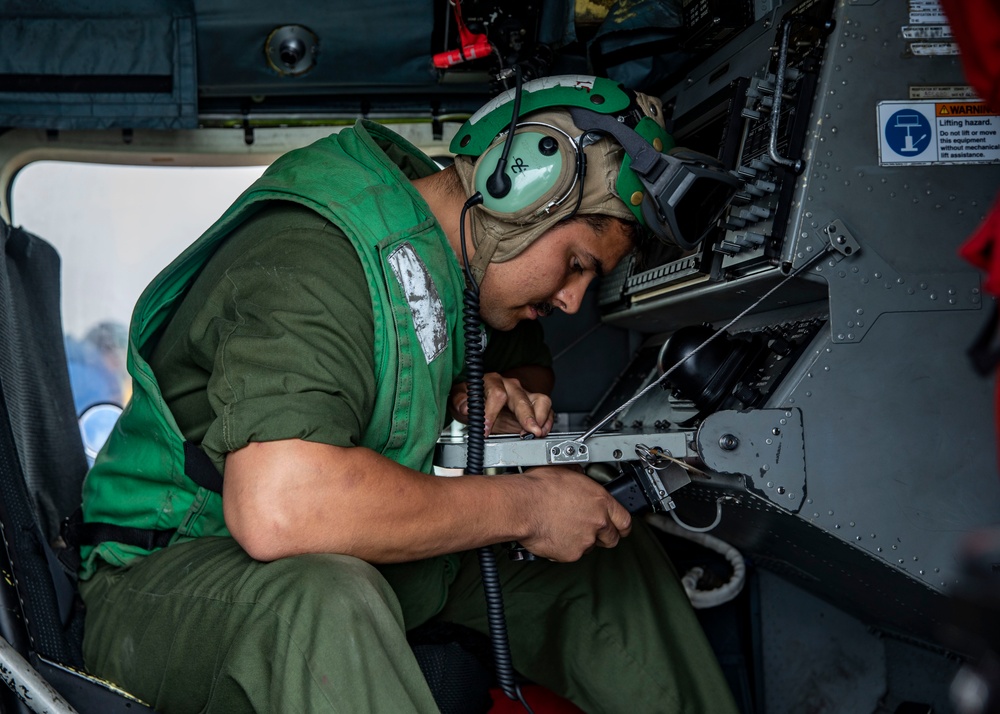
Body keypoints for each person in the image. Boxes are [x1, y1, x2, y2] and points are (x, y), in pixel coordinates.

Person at [77, 75, 739, 713]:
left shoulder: (465, 268)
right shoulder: (316, 257)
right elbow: (280, 507)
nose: (571, 300)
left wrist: (474, 392)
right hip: (172, 581)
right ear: (518, 190)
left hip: (346, 553)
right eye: (575, 265)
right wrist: (528, 507)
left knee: (603, 555)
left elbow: (530, 372)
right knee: (323, 599)